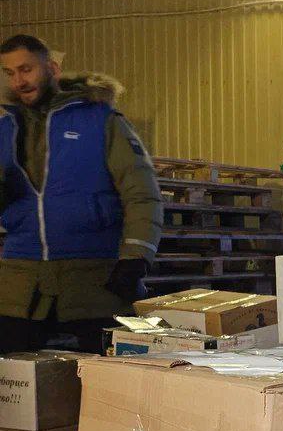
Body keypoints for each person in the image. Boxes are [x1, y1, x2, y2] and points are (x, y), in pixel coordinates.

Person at [0, 34, 162, 355]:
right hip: (20, 284)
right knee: (13, 388)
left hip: (94, 279)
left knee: (109, 382)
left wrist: (136, 257)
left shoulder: (99, 121)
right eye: (9, 73)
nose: (19, 80)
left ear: (52, 69)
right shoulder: (6, 129)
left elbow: (141, 192)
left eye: (26, 69)